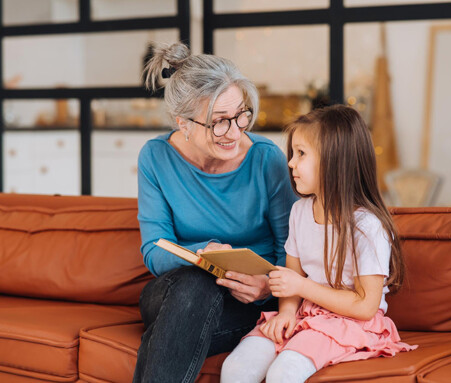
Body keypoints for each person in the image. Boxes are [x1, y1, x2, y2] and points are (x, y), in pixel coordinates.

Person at [133, 42, 297, 383]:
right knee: (197, 283)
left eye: (241, 115)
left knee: (180, 323)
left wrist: (268, 286)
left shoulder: (266, 159)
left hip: (247, 303)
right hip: (171, 293)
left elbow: (291, 247)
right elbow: (154, 249)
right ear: (184, 124)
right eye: (219, 122)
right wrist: (205, 255)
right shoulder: (156, 157)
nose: (235, 132)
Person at [221, 105, 417, 383]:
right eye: (293, 153)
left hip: (351, 322)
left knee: (284, 373)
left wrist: (301, 287)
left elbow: (365, 306)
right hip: (305, 313)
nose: (290, 163)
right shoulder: (300, 212)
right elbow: (291, 278)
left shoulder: (368, 227)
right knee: (236, 367)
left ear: (334, 161)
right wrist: (287, 312)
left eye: (301, 154)